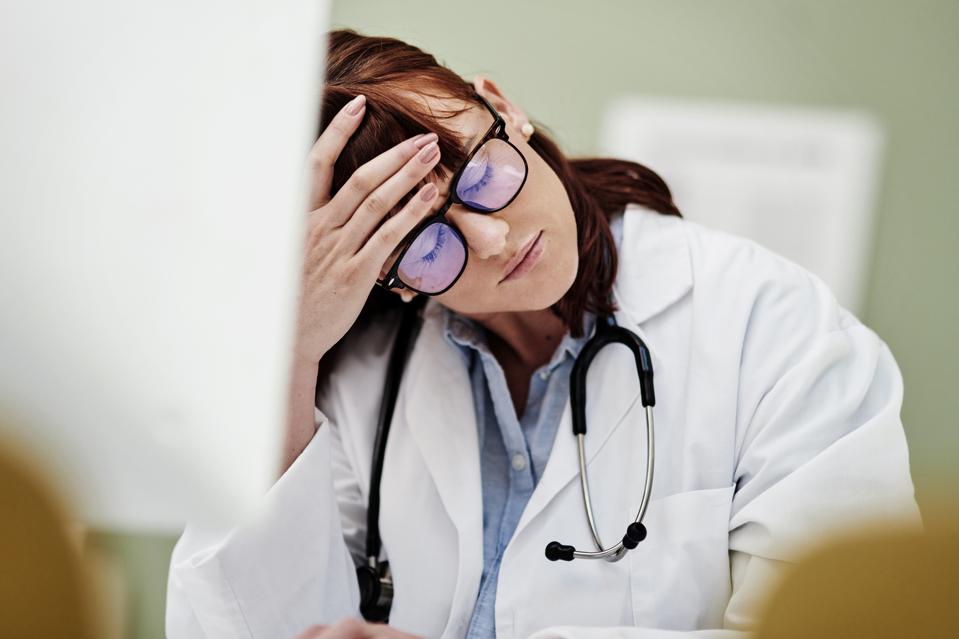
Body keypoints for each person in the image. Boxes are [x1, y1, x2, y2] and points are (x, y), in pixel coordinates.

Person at [166, 29, 920, 639]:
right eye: (425, 243)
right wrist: (292, 350)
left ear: (502, 106)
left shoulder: (768, 325)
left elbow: (847, 622)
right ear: (383, 276)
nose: (494, 241)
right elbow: (238, 621)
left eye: (484, 173)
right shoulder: (363, 374)